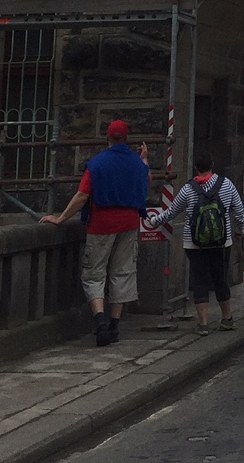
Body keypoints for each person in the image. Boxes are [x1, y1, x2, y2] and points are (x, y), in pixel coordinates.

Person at [42, 119, 150, 346]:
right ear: (126, 138)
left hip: (102, 224)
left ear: (107, 137)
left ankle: (100, 320)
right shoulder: (137, 163)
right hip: (129, 223)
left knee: (95, 273)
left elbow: (82, 196)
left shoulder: (97, 164)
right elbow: (146, 178)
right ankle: (115, 325)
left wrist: (60, 218)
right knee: (122, 272)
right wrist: (144, 159)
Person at [146, 153, 244, 334]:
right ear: (212, 165)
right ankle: (227, 318)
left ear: (196, 168)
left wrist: (153, 220)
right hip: (222, 242)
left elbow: (172, 211)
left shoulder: (188, 189)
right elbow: (239, 210)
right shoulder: (226, 184)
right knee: (221, 279)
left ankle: (204, 323)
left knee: (200, 280)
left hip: (194, 243)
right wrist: (240, 230)